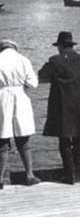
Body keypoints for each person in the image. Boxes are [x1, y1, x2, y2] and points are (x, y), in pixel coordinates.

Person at [38, 32, 80, 185]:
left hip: (62, 103)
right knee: (79, 137)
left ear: (60, 46)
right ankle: (78, 173)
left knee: (65, 138)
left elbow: (42, 74)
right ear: (72, 45)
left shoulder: (55, 61)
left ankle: (70, 174)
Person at [0, 39, 40, 189]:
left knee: (2, 139)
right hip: (20, 97)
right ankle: (29, 175)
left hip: (1, 98)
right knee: (23, 138)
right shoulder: (23, 60)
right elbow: (33, 83)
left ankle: (0, 178)